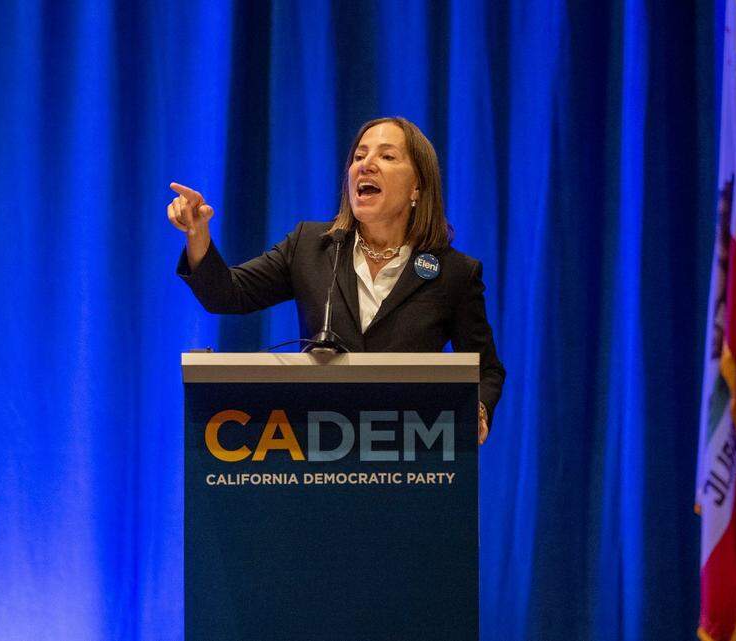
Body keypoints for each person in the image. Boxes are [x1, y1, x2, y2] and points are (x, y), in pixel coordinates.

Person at [168, 117, 505, 444]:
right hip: (319, 453)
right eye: (359, 156)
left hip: (410, 458)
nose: (366, 164)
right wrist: (197, 235)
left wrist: (478, 409)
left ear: (417, 186)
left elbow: (486, 369)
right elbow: (227, 295)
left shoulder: (453, 272)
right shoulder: (310, 246)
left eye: (386, 156)